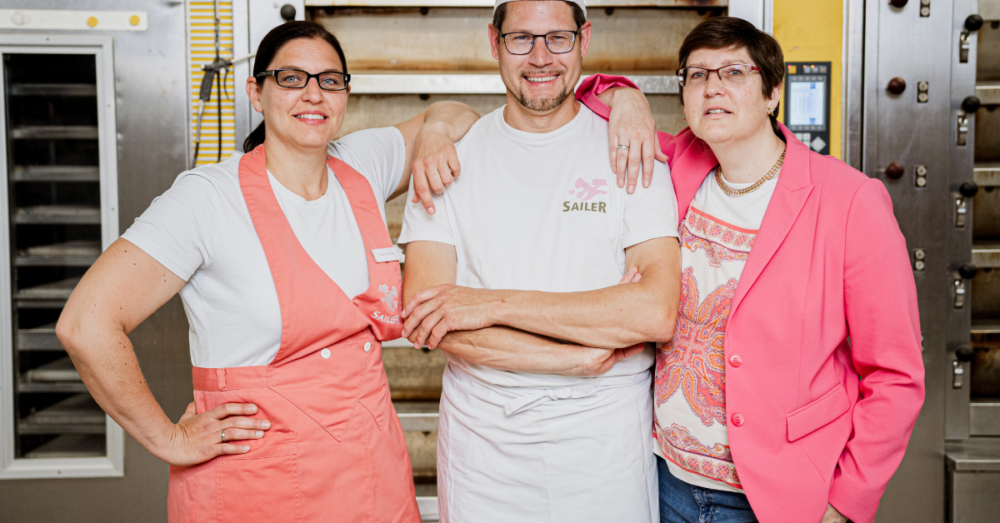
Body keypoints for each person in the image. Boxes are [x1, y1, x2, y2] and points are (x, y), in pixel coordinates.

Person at [56, 22, 479, 523]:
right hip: (256, 487)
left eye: (329, 80)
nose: (314, 94)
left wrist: (430, 131)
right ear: (256, 92)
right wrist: (166, 437)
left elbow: (459, 114)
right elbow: (85, 324)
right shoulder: (207, 199)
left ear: (346, 92)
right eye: (291, 78)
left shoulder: (363, 166)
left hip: (370, 479)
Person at [574, 17, 925, 523]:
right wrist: (629, 97)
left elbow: (895, 375)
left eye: (734, 72)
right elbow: (582, 95)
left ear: (772, 92)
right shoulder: (678, 167)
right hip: (664, 480)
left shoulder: (850, 201)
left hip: (777, 496)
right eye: (696, 75)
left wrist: (845, 504)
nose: (712, 86)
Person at [398, 1, 681, 521]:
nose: (540, 57)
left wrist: (487, 304)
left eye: (558, 39)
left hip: (605, 450)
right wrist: (569, 355)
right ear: (493, 42)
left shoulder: (631, 148)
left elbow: (655, 312)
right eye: (521, 39)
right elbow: (426, 315)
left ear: (585, 40)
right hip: (483, 450)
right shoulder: (447, 159)